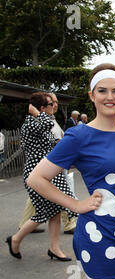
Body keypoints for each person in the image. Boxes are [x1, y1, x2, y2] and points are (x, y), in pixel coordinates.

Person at [26, 63, 115, 279]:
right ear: (92, 96)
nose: (110, 96)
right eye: (102, 90)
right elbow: (36, 178)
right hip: (100, 237)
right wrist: (74, 205)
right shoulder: (79, 136)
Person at [6, 92, 77, 261]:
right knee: (43, 212)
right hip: (36, 172)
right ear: (41, 108)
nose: (54, 106)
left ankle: (54, 248)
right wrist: (37, 113)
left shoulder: (39, 121)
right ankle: (15, 239)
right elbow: (47, 124)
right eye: (49, 104)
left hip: (51, 171)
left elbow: (51, 138)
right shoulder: (31, 123)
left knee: (56, 210)